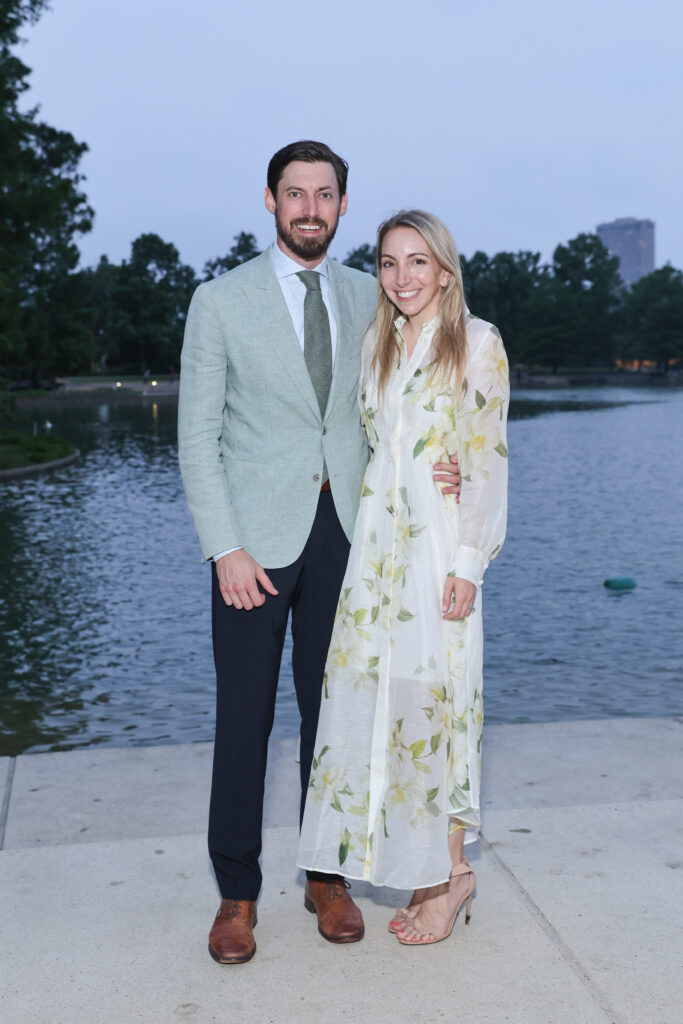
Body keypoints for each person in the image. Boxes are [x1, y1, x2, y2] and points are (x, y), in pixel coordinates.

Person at [177, 144, 460, 964]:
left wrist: (449, 462)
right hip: (253, 546)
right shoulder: (219, 301)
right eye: (294, 193)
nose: (309, 207)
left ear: (341, 205)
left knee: (337, 719)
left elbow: (422, 390)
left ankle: (325, 876)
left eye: (324, 194)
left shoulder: (370, 296)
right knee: (244, 720)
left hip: (353, 539)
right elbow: (197, 440)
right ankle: (236, 893)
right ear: (269, 201)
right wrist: (223, 546)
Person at [297, 209, 509, 945]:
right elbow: (371, 447)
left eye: (418, 262)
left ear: (444, 271)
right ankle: (426, 874)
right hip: (375, 558)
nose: (402, 277)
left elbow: (485, 466)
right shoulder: (376, 343)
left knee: (440, 706)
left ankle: (450, 879)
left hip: (436, 552)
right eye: (389, 263)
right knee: (387, 708)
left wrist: (467, 563)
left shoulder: (477, 345)